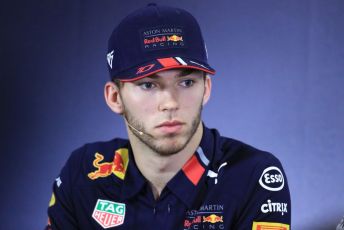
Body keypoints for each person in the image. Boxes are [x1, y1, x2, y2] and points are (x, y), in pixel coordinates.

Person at [46, 3, 291, 230]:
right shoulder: (84, 173)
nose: (171, 103)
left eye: (186, 82)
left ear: (206, 89)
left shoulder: (253, 175)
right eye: (148, 85)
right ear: (115, 98)